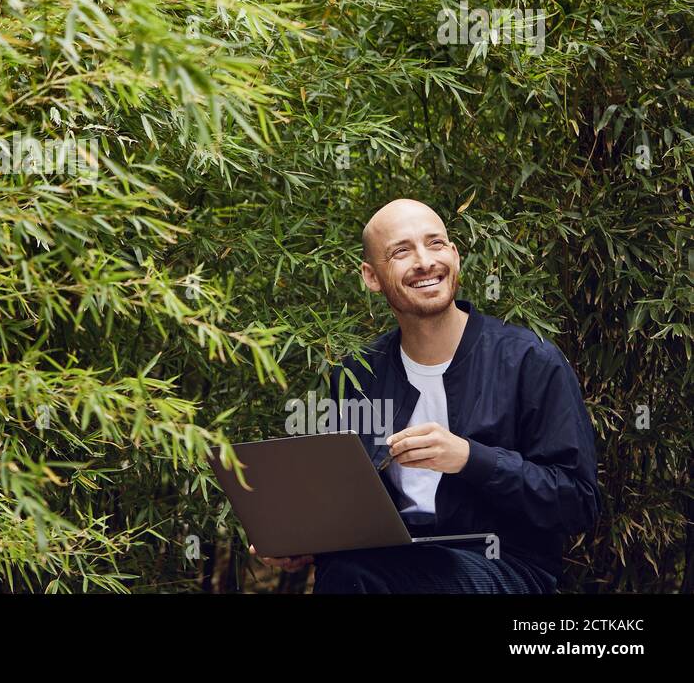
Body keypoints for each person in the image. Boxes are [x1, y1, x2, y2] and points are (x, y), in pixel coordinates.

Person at [254, 198, 601, 592]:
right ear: (371, 276)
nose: (424, 261)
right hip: (389, 560)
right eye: (401, 251)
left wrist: (471, 458)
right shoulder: (357, 375)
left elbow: (578, 502)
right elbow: (350, 505)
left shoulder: (529, 361)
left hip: (503, 563)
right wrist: (301, 541)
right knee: (345, 571)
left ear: (454, 255)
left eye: (435, 244)